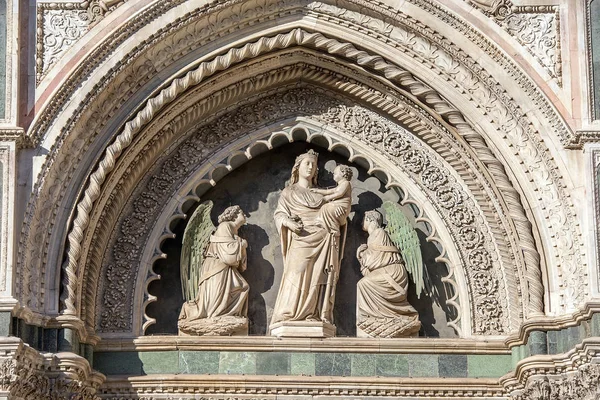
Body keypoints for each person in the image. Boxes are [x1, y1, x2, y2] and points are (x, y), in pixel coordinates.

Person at [270, 150, 351, 328]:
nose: (311, 167)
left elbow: (339, 213)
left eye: (314, 165)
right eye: (307, 163)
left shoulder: (320, 193)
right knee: (296, 271)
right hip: (300, 237)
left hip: (323, 237)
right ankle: (288, 314)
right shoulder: (289, 192)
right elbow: (280, 214)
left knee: (317, 277)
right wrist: (289, 224)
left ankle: (312, 314)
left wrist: (336, 217)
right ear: (297, 168)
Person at [178, 205, 249, 335]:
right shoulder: (225, 226)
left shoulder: (233, 230)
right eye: (242, 213)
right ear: (234, 215)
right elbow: (228, 254)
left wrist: (239, 243)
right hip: (216, 266)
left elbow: (229, 252)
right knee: (218, 292)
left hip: (224, 267)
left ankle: (222, 314)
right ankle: (214, 315)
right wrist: (241, 244)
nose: (245, 216)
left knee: (242, 287)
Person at [356, 210, 421, 337]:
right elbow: (371, 267)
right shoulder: (374, 236)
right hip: (386, 271)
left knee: (363, 284)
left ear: (370, 219)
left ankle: (383, 317)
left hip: (392, 272)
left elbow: (374, 261)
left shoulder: (378, 233)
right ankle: (378, 318)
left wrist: (363, 254)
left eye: (364, 219)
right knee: (364, 284)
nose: (362, 223)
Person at [310, 164, 353, 234]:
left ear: (343, 173)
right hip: (336, 206)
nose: (333, 174)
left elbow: (340, 194)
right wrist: (317, 190)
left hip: (342, 207)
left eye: (335, 173)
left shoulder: (346, 183)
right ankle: (321, 223)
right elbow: (328, 191)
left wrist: (327, 198)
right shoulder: (339, 185)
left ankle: (325, 225)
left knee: (326, 208)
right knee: (325, 208)